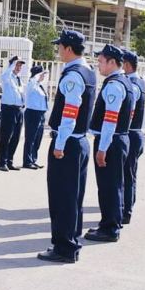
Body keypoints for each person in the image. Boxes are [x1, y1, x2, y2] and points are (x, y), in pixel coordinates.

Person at [37, 30, 96, 264]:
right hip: (79, 141)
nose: (58, 50)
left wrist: (59, 144)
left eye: (59, 46)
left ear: (68, 48)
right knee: (74, 196)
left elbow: (70, 113)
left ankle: (64, 247)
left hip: (68, 142)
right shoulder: (88, 72)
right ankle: (71, 239)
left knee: (62, 196)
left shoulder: (72, 75)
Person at [85, 44, 134, 243]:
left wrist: (102, 148)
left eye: (101, 61)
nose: (98, 65)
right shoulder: (125, 81)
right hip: (120, 139)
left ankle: (109, 228)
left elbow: (110, 120)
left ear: (112, 62)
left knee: (109, 186)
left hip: (111, 141)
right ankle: (111, 223)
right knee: (115, 184)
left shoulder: (114, 85)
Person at [122, 49, 145, 224]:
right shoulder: (139, 81)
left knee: (127, 175)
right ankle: (126, 205)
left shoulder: (133, 84)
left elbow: (130, 113)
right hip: (135, 133)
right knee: (128, 173)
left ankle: (126, 211)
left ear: (127, 65)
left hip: (130, 133)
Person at [0, 56, 25, 171]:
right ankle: (2, 162)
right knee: (6, 136)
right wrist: (11, 66)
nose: (19, 67)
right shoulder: (7, 76)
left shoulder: (18, 78)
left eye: (20, 65)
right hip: (8, 109)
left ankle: (9, 161)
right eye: (17, 65)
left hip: (18, 109)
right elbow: (4, 77)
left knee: (15, 137)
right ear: (12, 65)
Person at [22, 65, 49, 169]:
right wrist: (36, 76)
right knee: (31, 138)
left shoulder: (39, 85)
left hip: (40, 114)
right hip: (32, 113)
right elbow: (33, 82)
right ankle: (27, 161)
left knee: (38, 138)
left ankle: (33, 159)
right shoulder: (31, 84)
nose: (43, 76)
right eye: (42, 74)